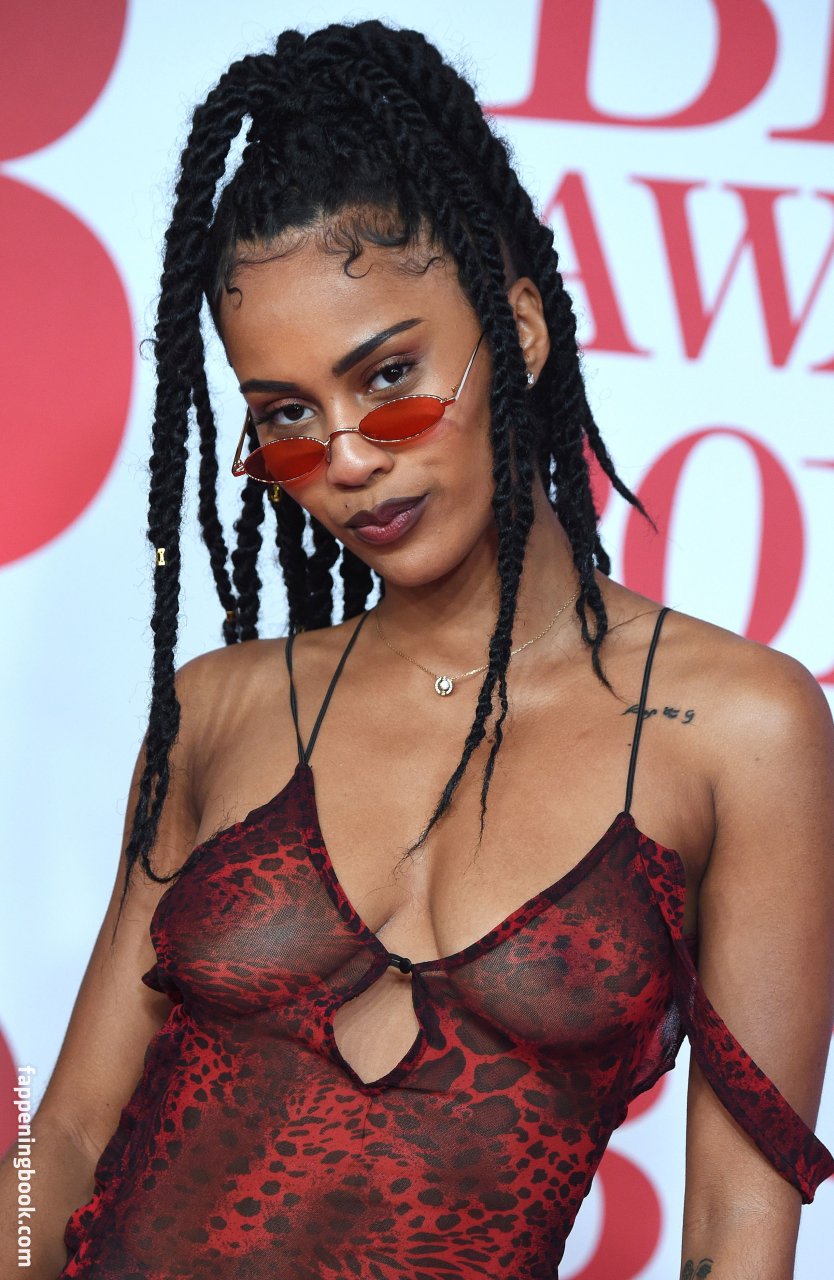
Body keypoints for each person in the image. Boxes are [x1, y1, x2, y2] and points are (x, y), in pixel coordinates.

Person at [5, 19, 833, 1280]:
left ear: (519, 329)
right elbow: (59, 1138)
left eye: (389, 377)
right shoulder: (222, 711)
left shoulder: (740, 729)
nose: (345, 458)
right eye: (288, 416)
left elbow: (734, 1237)